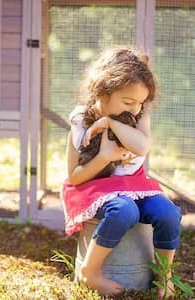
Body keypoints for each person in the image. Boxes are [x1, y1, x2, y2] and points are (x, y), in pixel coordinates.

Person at [62, 46, 181, 298]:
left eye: (140, 103)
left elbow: (142, 146)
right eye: (127, 102)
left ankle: (163, 276)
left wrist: (110, 122)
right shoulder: (81, 119)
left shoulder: (138, 114)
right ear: (101, 92)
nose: (135, 109)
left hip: (134, 186)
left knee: (168, 213)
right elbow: (75, 176)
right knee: (124, 210)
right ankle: (90, 271)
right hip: (94, 188)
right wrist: (105, 157)